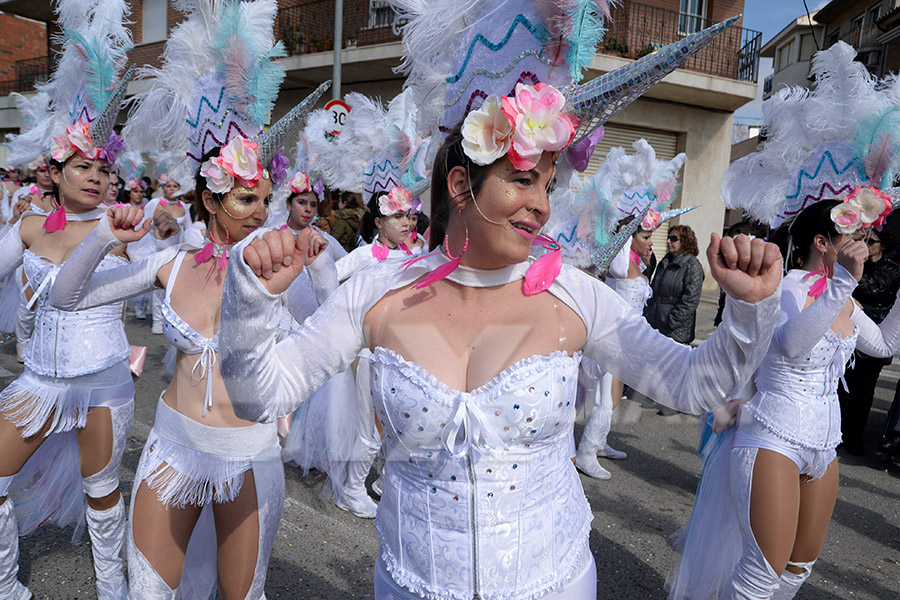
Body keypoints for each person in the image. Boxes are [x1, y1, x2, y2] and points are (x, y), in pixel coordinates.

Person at [669, 42, 900, 600]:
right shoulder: (791, 289)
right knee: (760, 574)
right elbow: (794, 346)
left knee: (798, 571)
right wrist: (844, 284)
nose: (866, 245)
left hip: (825, 445)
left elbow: (883, 347)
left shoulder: (838, 296)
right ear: (821, 242)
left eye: (868, 236)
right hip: (772, 437)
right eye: (855, 234)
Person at [838, 227, 900, 455]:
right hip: (848, 331)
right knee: (841, 386)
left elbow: (878, 292)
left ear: (883, 245)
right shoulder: (854, 265)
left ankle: (854, 438)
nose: (866, 244)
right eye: (862, 239)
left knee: (863, 391)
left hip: (876, 332)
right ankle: (838, 434)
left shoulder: (892, 270)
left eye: (871, 241)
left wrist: (853, 300)